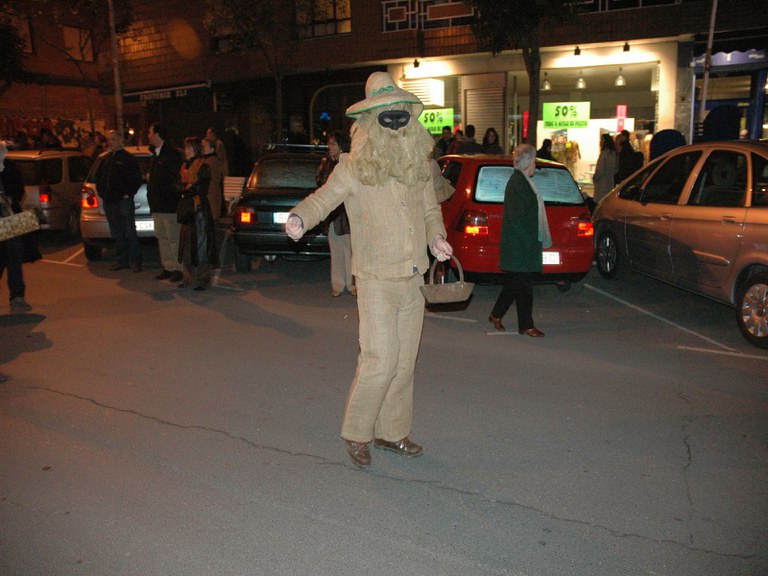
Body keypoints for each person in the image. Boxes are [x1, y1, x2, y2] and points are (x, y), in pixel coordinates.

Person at [285, 71, 453, 468]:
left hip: (413, 279)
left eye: (400, 116)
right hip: (376, 280)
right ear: (369, 121)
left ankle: (392, 432)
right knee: (380, 359)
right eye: (386, 116)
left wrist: (437, 238)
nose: (395, 124)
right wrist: (299, 218)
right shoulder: (353, 168)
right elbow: (323, 199)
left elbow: (431, 210)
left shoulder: (416, 164)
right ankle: (357, 432)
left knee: (404, 362)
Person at [488, 144, 551, 338]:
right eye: (534, 162)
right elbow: (516, 218)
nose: (535, 165)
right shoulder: (518, 183)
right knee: (523, 286)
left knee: (515, 284)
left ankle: (496, 314)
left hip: (521, 243)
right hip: (520, 245)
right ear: (527, 163)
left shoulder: (522, 181)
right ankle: (526, 325)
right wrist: (529, 242)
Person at [95, 130, 144, 272]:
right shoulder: (106, 159)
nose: (110, 142)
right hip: (110, 201)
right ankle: (122, 260)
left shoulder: (128, 159)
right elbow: (98, 177)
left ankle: (135, 261)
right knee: (116, 232)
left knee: (130, 231)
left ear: (120, 141)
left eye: (113, 139)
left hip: (123, 201)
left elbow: (136, 178)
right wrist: (103, 193)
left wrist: (128, 193)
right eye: (109, 139)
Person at [317, 131, 354, 297]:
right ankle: (338, 285)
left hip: (348, 214)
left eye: (333, 144)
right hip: (334, 214)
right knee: (337, 250)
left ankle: (352, 284)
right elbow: (320, 182)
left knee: (350, 251)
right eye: (329, 144)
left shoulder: (349, 163)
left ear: (341, 146)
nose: (330, 147)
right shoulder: (326, 163)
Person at [177, 137, 217, 291]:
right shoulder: (185, 166)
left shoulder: (203, 165)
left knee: (201, 246)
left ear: (196, 149)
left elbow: (201, 187)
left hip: (199, 211)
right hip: (188, 210)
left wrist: (187, 189)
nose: (186, 151)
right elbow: (179, 185)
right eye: (185, 148)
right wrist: (185, 188)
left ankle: (202, 279)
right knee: (186, 246)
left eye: (189, 148)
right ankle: (188, 278)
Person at [147, 122, 184, 283]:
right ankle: (168, 266)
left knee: (173, 237)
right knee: (162, 236)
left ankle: (178, 268)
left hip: (169, 204)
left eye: (150, 133)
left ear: (157, 135)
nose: (148, 136)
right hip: (157, 204)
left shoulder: (171, 155)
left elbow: (172, 179)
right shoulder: (156, 154)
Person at [0, 140, 34, 311]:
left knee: (15, 257)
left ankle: (17, 296)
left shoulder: (10, 167)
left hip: (11, 217)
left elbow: (19, 189)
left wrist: (11, 198)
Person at [201, 137, 224, 221]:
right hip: (213, 195)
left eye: (204, 146)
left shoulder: (209, 162)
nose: (202, 149)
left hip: (209, 196)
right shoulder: (214, 160)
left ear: (212, 149)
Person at [592, 133, 618, 204]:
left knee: (600, 201)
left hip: (602, 182)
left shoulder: (604, 153)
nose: (599, 142)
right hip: (610, 181)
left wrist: (595, 177)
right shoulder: (614, 153)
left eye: (601, 140)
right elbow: (616, 169)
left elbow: (600, 168)